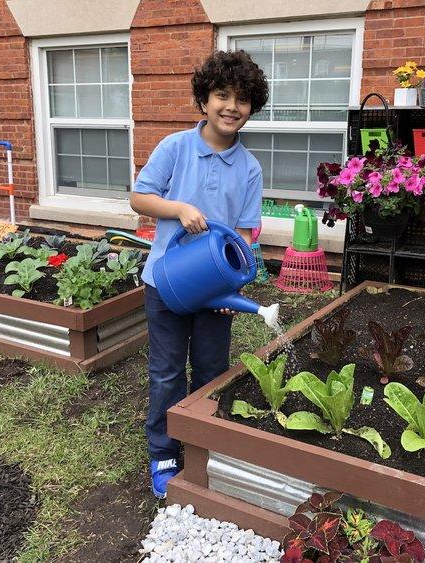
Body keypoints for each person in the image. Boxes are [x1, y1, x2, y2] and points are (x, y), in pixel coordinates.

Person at [130, 50, 269, 499]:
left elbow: (246, 234)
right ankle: (163, 451)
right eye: (222, 95)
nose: (231, 106)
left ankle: (203, 445)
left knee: (211, 369)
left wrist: (236, 285)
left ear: (252, 108)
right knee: (167, 372)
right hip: (166, 282)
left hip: (217, 291)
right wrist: (179, 209)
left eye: (242, 99)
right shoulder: (175, 148)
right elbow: (139, 198)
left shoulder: (249, 168)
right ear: (204, 100)